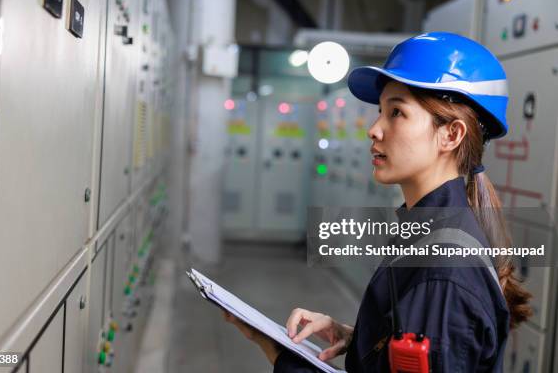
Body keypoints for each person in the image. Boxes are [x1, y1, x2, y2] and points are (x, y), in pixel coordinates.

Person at [224, 32, 532, 372]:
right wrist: (361, 339)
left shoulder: (442, 275)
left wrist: (282, 355)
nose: (374, 129)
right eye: (380, 112)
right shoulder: (430, 234)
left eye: (396, 112)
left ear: (451, 135)